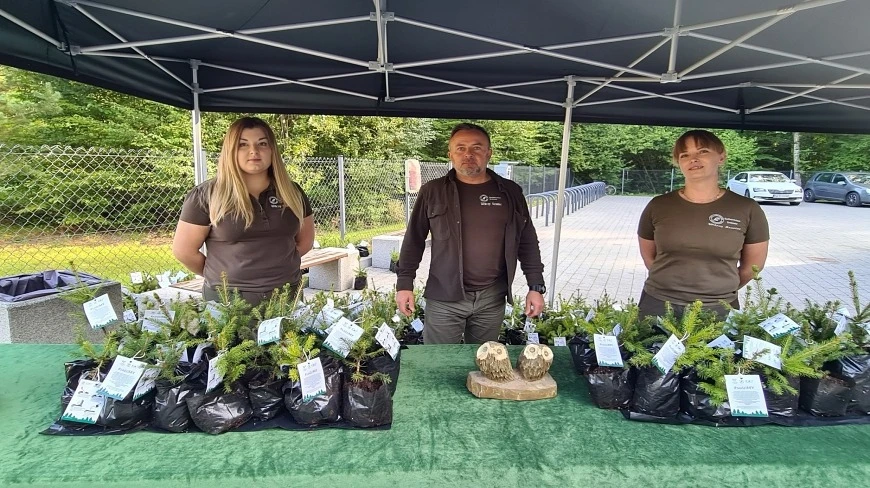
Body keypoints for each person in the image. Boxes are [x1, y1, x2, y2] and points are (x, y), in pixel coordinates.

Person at [395, 123, 546, 344]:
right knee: (440, 363)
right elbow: (414, 240)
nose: (468, 154)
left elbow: (527, 241)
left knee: (484, 363)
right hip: (444, 296)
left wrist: (535, 286)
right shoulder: (432, 191)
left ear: (488, 153)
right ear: (450, 155)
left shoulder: (511, 192)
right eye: (460, 148)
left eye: (476, 148)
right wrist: (404, 284)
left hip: (492, 298)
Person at [172, 116, 314, 307]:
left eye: (262, 144)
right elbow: (184, 251)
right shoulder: (206, 195)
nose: (254, 151)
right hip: (228, 302)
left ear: (272, 150)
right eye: (243, 145)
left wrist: (278, 269)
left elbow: (305, 241)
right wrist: (223, 277)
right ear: (231, 151)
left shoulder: (292, 192)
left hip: (286, 294)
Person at [637, 129, 769, 319]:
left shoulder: (747, 208)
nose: (694, 159)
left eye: (703, 151)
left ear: (721, 157)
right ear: (679, 163)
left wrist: (716, 291)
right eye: (685, 155)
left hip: (719, 309)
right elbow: (649, 256)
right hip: (658, 305)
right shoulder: (658, 205)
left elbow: (753, 266)